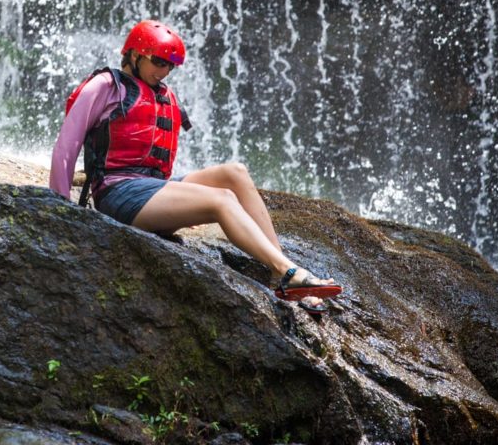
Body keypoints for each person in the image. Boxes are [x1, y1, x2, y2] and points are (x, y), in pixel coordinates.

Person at [49, 19, 341, 313]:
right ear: (135, 55)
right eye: (159, 62)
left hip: (151, 189)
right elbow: (66, 146)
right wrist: (58, 209)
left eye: (170, 66)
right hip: (119, 193)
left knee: (234, 173)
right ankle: (291, 272)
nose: (164, 71)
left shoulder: (162, 93)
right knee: (221, 200)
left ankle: (280, 272)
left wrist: (179, 202)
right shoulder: (105, 86)